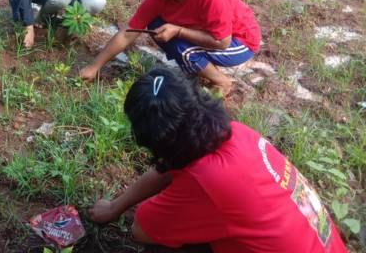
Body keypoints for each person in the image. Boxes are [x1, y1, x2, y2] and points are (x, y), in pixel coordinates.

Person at [89, 68, 348, 253]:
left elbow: (142, 230)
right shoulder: (233, 133)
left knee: (160, 246)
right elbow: (169, 168)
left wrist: (143, 212)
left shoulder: (210, 180)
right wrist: (115, 207)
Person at [80, 0, 260, 95]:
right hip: (210, 35)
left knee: (184, 49)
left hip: (239, 42)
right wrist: (94, 67)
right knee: (156, 25)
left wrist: (179, 30)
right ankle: (206, 70)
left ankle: (222, 82)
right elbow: (128, 33)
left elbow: (222, 42)